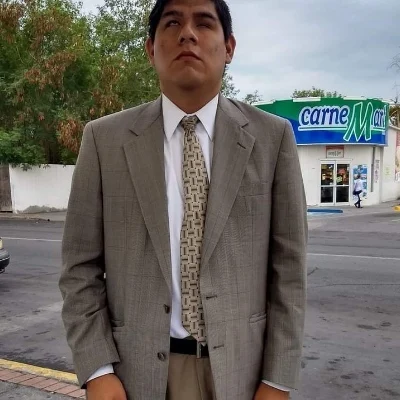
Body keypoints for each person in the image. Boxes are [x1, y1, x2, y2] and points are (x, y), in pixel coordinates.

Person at [59, 0, 308, 399]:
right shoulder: (104, 141)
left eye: (204, 23)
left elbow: (289, 271)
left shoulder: (272, 139)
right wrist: (97, 370)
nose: (187, 34)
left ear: (229, 47)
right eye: (172, 23)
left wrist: (277, 380)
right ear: (150, 48)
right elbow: (79, 268)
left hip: (241, 375)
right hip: (134, 376)